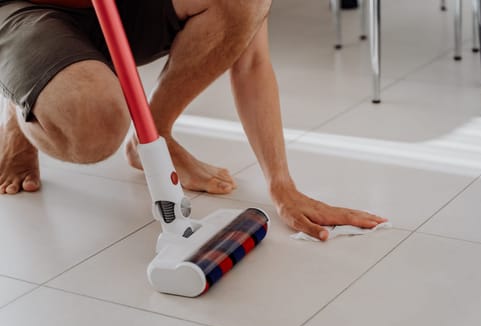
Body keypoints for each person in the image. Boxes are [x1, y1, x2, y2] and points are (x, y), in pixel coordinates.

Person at [0, 0, 387, 240]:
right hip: (27, 9)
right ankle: (25, 104)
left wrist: (282, 186)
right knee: (94, 125)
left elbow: (251, 60)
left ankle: (155, 135)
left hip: (120, 10)